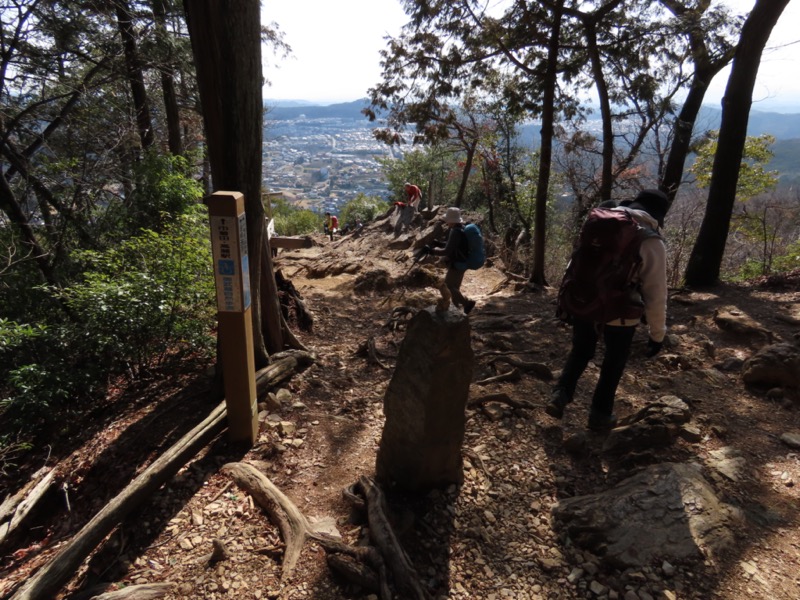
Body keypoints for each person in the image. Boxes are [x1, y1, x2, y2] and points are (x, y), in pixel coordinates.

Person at [547, 189, 669, 431]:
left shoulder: (597, 222)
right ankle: (600, 414)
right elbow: (656, 292)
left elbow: (575, 263)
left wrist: (568, 301)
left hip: (584, 301)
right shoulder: (650, 239)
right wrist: (658, 334)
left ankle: (560, 394)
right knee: (614, 361)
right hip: (620, 312)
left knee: (581, 351)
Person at [423, 207, 476, 315]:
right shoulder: (460, 228)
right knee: (454, 288)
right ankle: (456, 309)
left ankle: (467, 303)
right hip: (462, 262)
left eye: (447, 219)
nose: (446, 222)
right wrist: (439, 243)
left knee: (448, 286)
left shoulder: (455, 231)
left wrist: (431, 251)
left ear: (451, 220)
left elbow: (447, 251)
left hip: (457, 263)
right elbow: (453, 246)